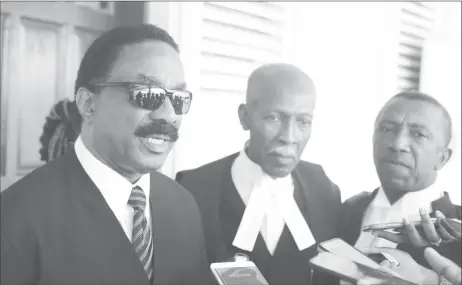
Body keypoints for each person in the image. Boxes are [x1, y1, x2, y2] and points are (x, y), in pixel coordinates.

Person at [1, 24, 210, 285]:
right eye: (146, 95)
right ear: (88, 104)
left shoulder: (183, 206)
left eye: (178, 98)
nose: (169, 115)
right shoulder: (14, 219)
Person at [176, 63, 342, 285]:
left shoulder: (324, 191)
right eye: (274, 117)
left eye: (303, 121)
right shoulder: (193, 190)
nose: (289, 137)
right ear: (245, 117)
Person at [338, 91, 461, 269]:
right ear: (373, 139)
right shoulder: (344, 211)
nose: (398, 144)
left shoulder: (457, 234)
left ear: (442, 158)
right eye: (387, 129)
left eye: (418, 134)